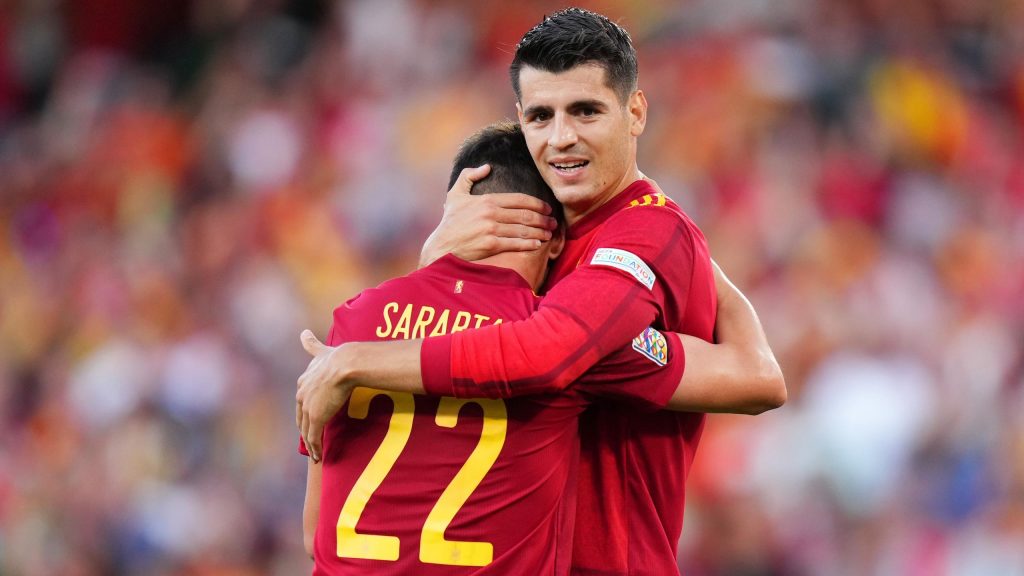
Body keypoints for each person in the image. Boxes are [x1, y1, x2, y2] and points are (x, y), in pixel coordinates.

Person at [297, 8, 786, 575]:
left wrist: (354, 358)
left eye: (585, 111)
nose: (561, 137)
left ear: (635, 112)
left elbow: (549, 352)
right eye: (540, 115)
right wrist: (439, 262)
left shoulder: (646, 232)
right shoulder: (534, 238)